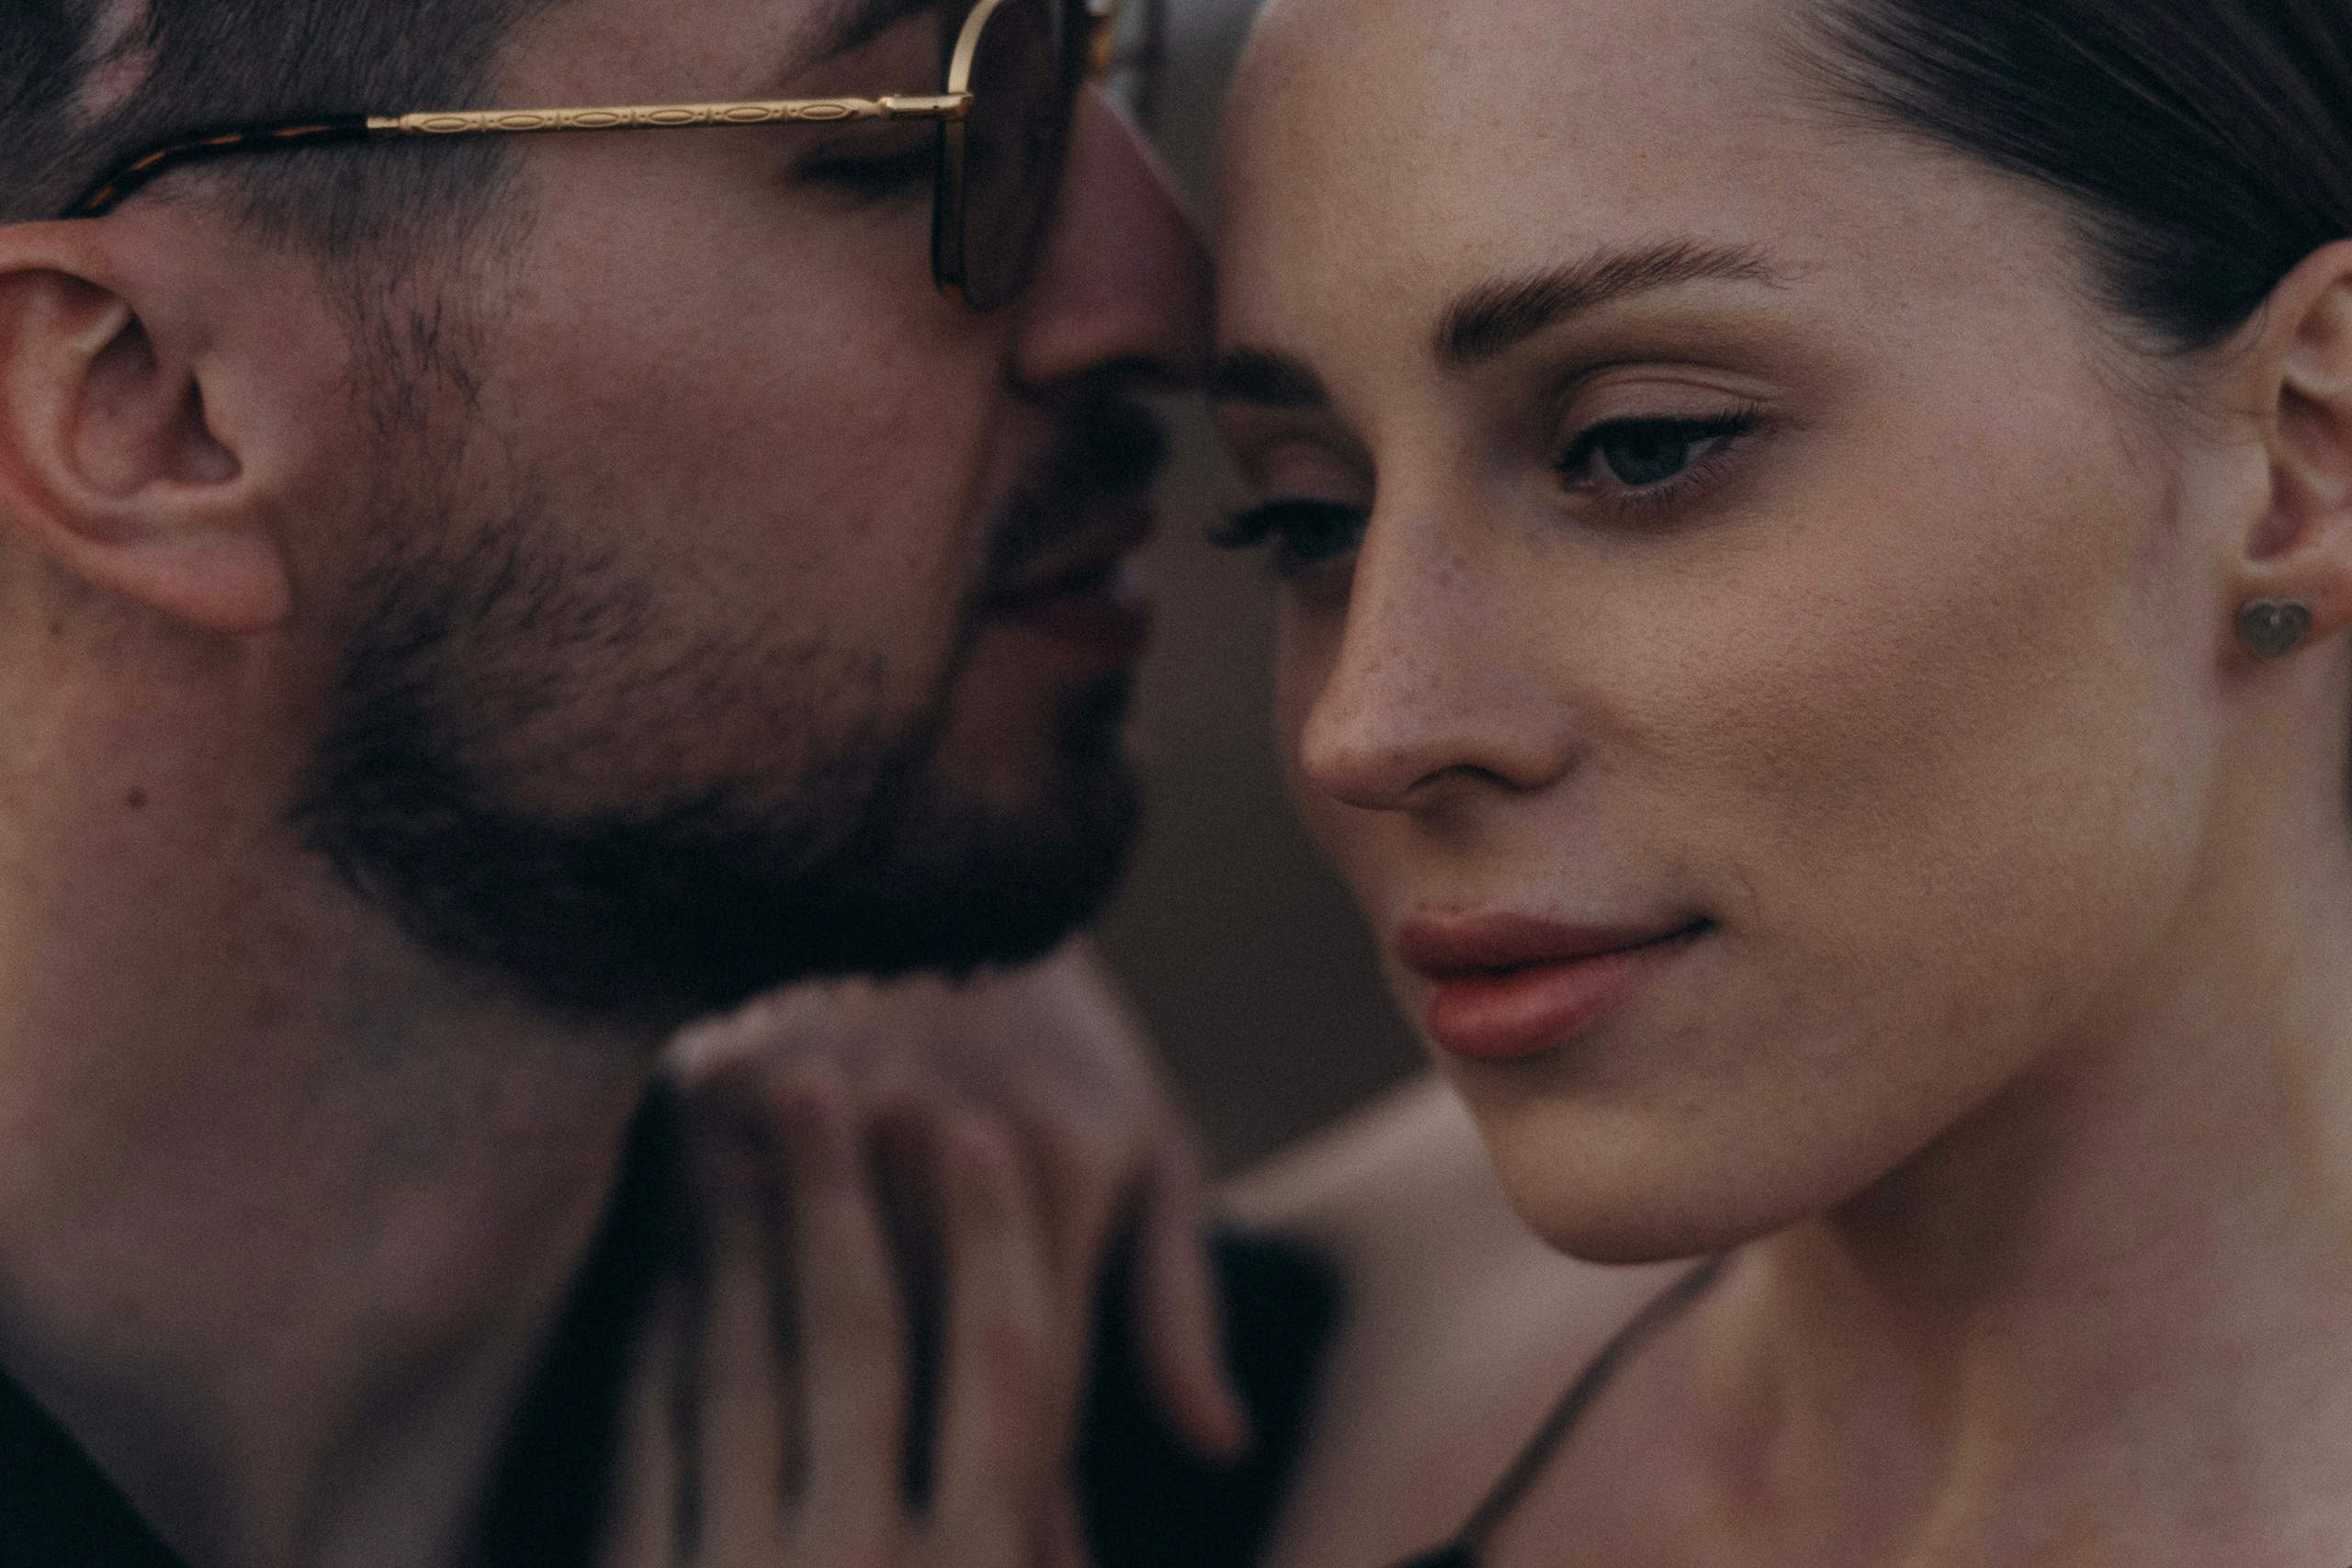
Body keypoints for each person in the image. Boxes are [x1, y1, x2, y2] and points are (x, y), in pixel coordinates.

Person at [0, 0, 1249, 1561]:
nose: (1172, 299)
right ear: (157, 408)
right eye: (908, 142)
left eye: (1093, 63)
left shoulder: (1029, 1390)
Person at [1193, 0, 2352, 1562]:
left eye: (1643, 444)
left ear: (2299, 456)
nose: (1370, 725)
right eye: (1310, 519)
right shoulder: (1194, 1376)